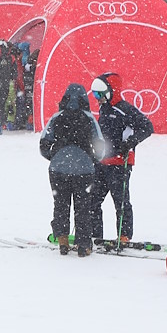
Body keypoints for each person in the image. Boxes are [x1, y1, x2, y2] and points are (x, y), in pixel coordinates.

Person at [39, 83, 105, 257]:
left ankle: (62, 240)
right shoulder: (89, 118)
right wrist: (90, 157)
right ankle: (83, 244)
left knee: (60, 205)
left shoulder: (57, 117)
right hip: (84, 171)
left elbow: (43, 144)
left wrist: (56, 155)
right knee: (83, 207)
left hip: (58, 170)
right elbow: (101, 148)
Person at [90, 72, 155, 242]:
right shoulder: (104, 109)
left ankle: (124, 235)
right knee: (92, 200)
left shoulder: (124, 109)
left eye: (99, 94)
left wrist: (129, 143)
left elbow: (147, 127)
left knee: (121, 201)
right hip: (101, 163)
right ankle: (95, 235)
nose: (97, 98)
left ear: (111, 91)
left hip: (120, 164)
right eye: (95, 94)